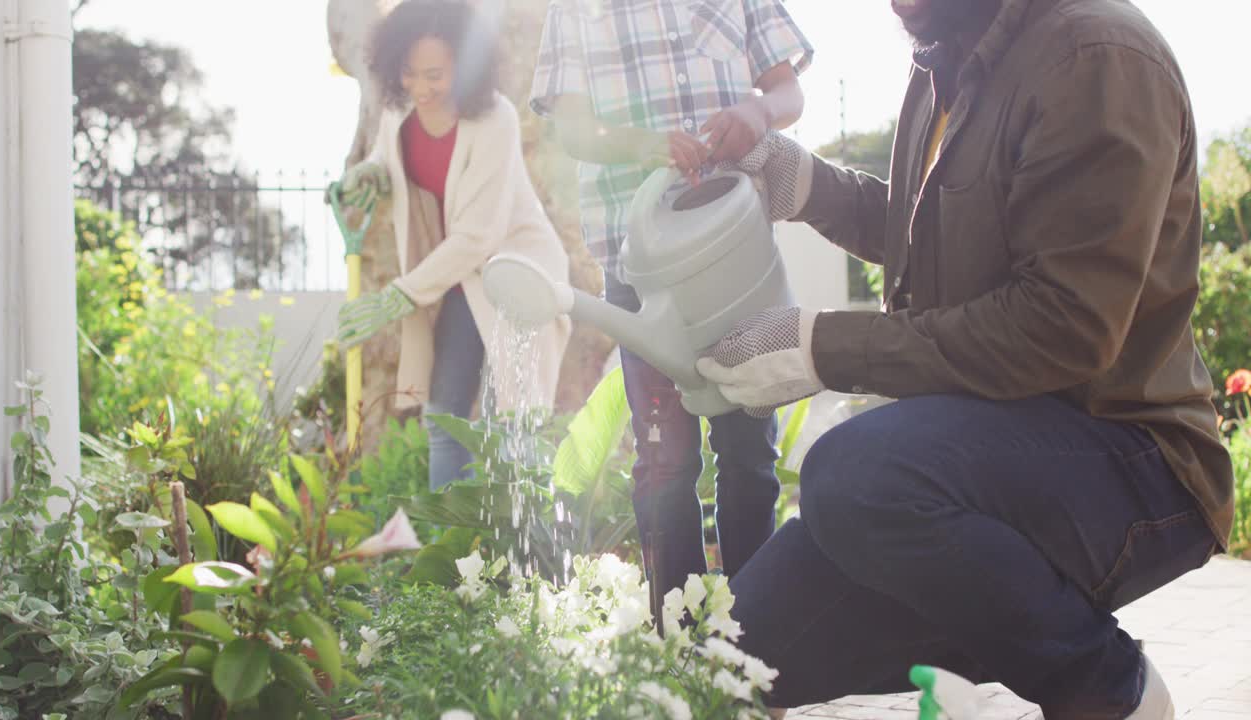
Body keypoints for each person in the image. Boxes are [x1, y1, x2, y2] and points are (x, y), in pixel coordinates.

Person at [695, 0, 1234, 717]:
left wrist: (820, 347)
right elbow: (943, 243)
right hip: (987, 450)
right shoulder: (944, 61)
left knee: (856, 475)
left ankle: (1108, 690)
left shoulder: (1097, 53)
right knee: (726, 656)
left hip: (1131, 458)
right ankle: (985, 626)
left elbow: (1063, 325)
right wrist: (810, 186)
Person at [528, 0, 814, 604]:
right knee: (665, 461)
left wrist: (759, 110)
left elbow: (786, 90)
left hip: (736, 259)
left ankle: (755, 651)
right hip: (641, 271)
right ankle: (677, 653)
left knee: (748, 455)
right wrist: (645, 144)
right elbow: (572, 128)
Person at [335, 0, 571, 491]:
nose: (420, 88)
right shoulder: (400, 109)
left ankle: (525, 548)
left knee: (517, 421)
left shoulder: (494, 121)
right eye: (409, 72)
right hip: (455, 279)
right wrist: (369, 171)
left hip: (513, 275)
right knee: (443, 416)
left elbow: (479, 237)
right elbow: (387, 155)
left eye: (435, 75)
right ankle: (452, 550)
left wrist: (396, 297)